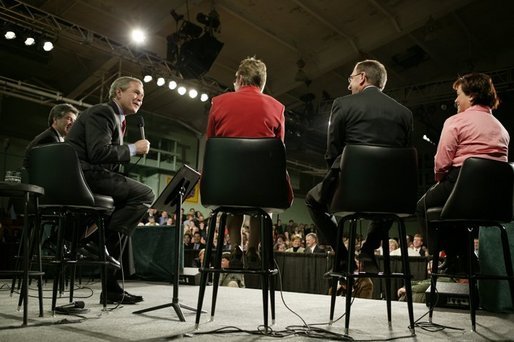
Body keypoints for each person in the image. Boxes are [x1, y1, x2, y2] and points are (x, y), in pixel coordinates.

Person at [305, 59, 413, 273]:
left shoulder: (343, 104)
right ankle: (368, 249)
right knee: (386, 204)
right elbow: (404, 159)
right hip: (392, 197)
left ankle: (344, 259)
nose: (349, 85)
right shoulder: (404, 113)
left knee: (312, 201)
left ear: (362, 77)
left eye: (351, 78)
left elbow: (333, 150)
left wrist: (336, 178)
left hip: (349, 191)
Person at [66, 76, 155, 304]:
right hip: (83, 177)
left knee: (124, 213)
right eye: (136, 92)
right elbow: (98, 153)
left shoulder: (117, 118)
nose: (140, 98)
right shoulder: (103, 112)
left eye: (142, 96)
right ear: (118, 93)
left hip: (91, 176)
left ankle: (111, 285)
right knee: (146, 194)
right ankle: (98, 244)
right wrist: (133, 148)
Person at [416, 72, 509, 274]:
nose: (456, 100)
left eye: (459, 94)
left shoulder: (455, 121)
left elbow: (441, 163)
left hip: (461, 182)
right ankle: (466, 260)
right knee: (453, 211)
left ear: (472, 95)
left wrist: (440, 180)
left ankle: (446, 257)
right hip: (494, 200)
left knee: (423, 205)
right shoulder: (502, 129)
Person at [205, 56, 293, 267]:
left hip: (223, 187)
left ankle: (235, 247)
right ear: (261, 83)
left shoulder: (218, 102)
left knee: (233, 200)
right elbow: (278, 151)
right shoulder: (277, 107)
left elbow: (210, 143)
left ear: (239, 78)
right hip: (263, 190)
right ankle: (253, 247)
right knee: (261, 199)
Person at [23, 103, 79, 168]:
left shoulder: (54, 136)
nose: (72, 124)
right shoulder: (49, 139)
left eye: (74, 121)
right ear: (55, 119)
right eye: (69, 119)